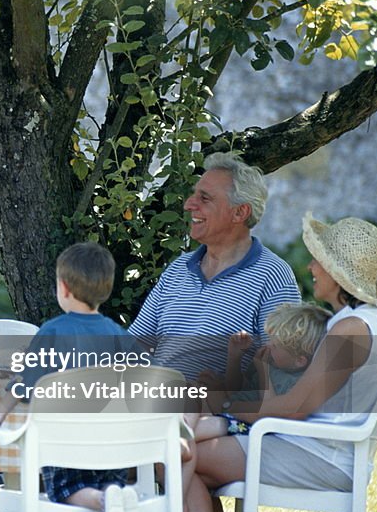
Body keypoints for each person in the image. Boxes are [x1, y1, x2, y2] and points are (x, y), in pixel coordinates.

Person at [184, 213, 377, 512]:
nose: (311, 267)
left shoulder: (350, 328)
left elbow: (296, 408)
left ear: (338, 274)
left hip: (323, 455)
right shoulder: (364, 319)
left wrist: (229, 408)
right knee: (193, 464)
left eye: (319, 261)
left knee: (180, 457)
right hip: (324, 449)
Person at [0, 242, 148, 512]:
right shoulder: (120, 336)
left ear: (63, 288)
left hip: (67, 451)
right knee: (101, 480)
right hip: (115, 454)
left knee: (66, 490)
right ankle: (113, 495)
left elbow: (24, 383)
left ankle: (102, 501)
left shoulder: (52, 332)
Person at [129, 152, 301, 381]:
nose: (189, 204)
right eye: (193, 196)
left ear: (240, 212)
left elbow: (282, 368)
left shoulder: (273, 276)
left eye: (205, 198)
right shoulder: (179, 268)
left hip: (213, 409)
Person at [190, 302, 331, 441]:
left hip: (249, 426)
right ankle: (181, 430)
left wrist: (264, 370)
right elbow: (236, 389)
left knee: (194, 428)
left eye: (275, 345)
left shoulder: (297, 383)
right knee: (192, 390)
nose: (268, 345)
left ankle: (179, 435)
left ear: (299, 361)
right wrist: (235, 358)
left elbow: (269, 413)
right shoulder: (271, 361)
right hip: (228, 412)